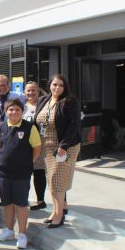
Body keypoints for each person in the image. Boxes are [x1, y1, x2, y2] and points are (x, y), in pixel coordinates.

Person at [34, 74, 81, 228]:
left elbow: (74, 125)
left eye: (61, 85)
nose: (57, 88)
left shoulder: (69, 102)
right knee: (52, 182)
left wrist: (63, 146)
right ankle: (55, 211)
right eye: (55, 84)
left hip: (64, 147)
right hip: (46, 147)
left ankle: (59, 216)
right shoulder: (43, 99)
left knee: (57, 182)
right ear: (50, 85)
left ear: (65, 87)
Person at [0, 98, 41, 249]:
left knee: (21, 204)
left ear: (22, 112)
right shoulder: (0, 127)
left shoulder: (29, 127)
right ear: (6, 112)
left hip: (22, 173)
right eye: (11, 109)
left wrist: (29, 163)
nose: (14, 112)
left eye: (17, 110)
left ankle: (22, 234)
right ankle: (8, 230)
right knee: (7, 203)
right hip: (3, 173)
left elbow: (37, 148)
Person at [23, 81, 47, 211]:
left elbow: (47, 122)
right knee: (26, 173)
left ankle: (40, 200)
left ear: (39, 92)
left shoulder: (44, 106)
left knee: (39, 172)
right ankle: (22, 198)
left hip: (41, 143)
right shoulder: (22, 107)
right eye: (28, 91)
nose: (31, 93)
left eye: (34, 90)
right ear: (24, 92)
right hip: (25, 145)